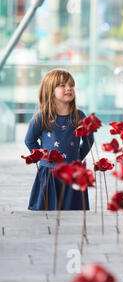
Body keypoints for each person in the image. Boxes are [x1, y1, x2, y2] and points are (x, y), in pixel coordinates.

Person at [24, 68, 94, 210]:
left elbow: (88, 140)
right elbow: (29, 140)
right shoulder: (42, 117)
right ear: (50, 91)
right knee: (47, 212)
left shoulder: (80, 116)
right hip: (49, 173)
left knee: (74, 212)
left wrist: (78, 157)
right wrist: (44, 157)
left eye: (71, 85)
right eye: (62, 85)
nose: (69, 88)